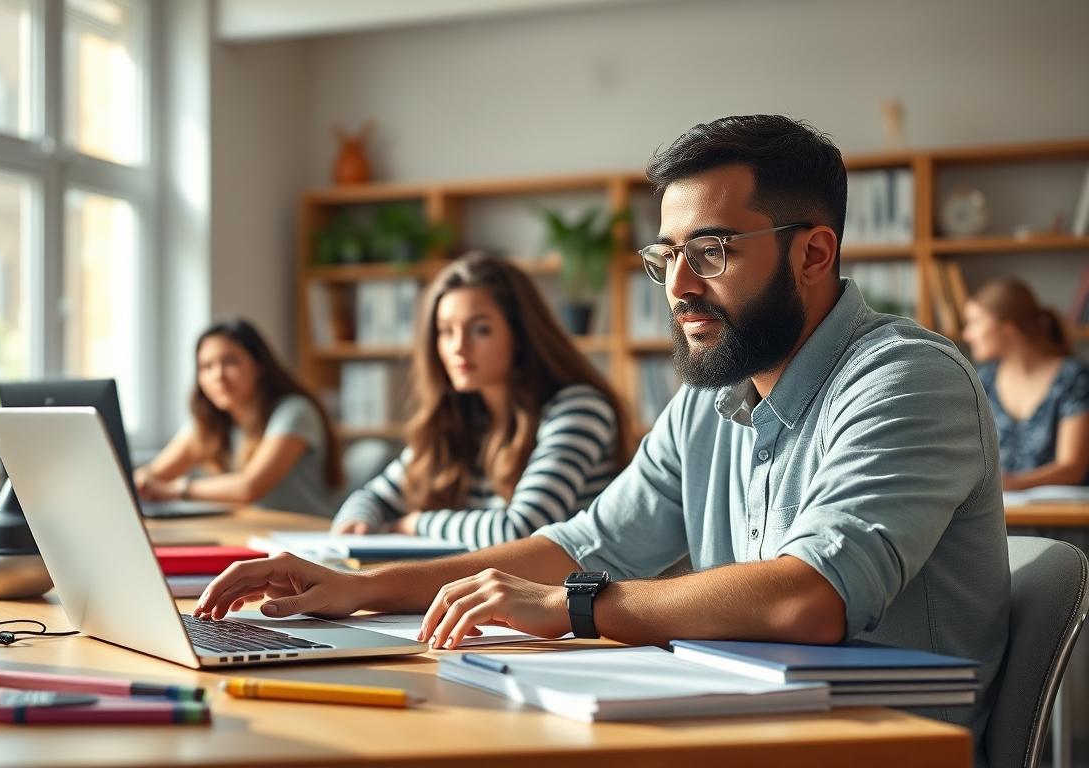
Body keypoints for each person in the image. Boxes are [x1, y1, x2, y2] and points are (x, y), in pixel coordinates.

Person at [196, 116, 1009, 762]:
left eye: (713, 252)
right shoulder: (711, 399)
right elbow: (581, 544)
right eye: (668, 257)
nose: (682, 287)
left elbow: (808, 596)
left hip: (881, 746)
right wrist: (358, 587)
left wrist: (574, 608)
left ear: (815, 252)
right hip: (752, 725)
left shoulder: (906, 377)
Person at [331, 253, 633, 549]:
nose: (458, 347)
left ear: (520, 335)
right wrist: (358, 523)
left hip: (565, 594)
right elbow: (373, 498)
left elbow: (522, 531)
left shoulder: (579, 409)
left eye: (480, 329)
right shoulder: (465, 418)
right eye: (446, 331)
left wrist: (415, 524)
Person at [133, 319, 342, 517]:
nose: (218, 376)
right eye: (206, 367)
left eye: (230, 362)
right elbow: (153, 475)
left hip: (308, 539)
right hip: (254, 532)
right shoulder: (209, 424)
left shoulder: (295, 412)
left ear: (259, 365)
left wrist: (176, 490)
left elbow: (248, 487)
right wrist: (142, 481)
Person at [962, 278, 1089, 489]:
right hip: (1000, 515)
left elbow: (1072, 468)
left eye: (975, 322)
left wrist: (1012, 484)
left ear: (1008, 327)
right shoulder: (983, 380)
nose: (967, 334)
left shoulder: (1073, 377)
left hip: (1063, 515)